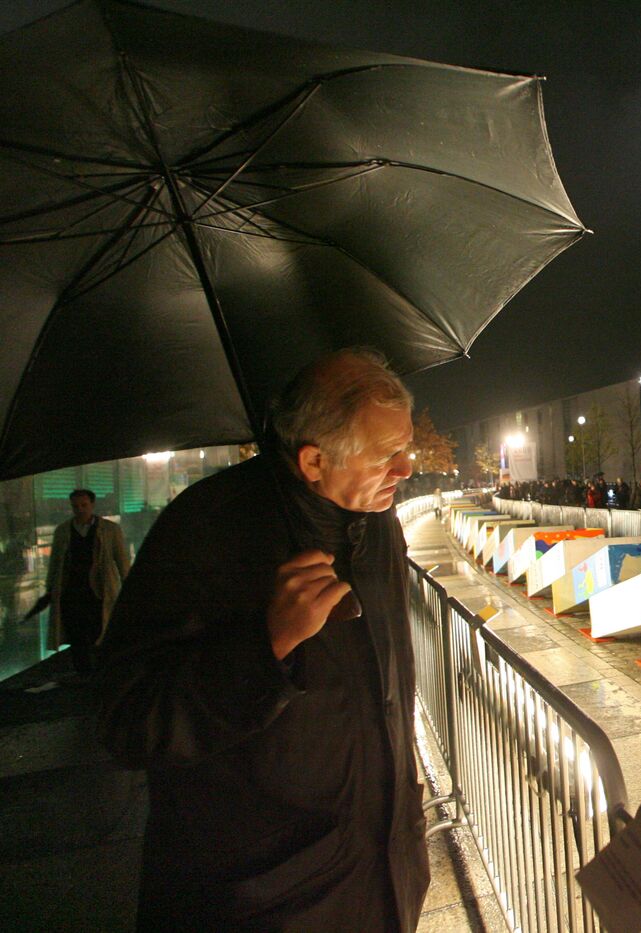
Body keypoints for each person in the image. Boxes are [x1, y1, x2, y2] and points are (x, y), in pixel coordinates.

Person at [97, 349, 429, 931]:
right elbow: (129, 721)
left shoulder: (377, 523)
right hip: (267, 900)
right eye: (386, 456)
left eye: (406, 449)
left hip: (383, 874)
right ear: (313, 461)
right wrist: (266, 644)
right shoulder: (207, 527)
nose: (405, 469)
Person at [43, 489, 130, 679]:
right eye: (76, 506)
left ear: (92, 505)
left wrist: (128, 585)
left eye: (84, 505)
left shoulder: (110, 530)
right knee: (77, 633)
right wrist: (51, 588)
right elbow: (56, 561)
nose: (80, 509)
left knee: (99, 629)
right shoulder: (63, 531)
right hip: (72, 591)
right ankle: (84, 673)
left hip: (99, 589)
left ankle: (100, 670)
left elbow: (121, 560)